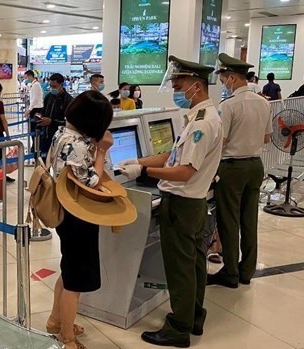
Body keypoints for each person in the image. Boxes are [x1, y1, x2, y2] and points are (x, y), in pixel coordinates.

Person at [119, 56, 222, 348]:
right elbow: (172, 157)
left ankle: (179, 329)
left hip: (182, 203)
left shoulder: (203, 124)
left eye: (180, 85)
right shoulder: (199, 118)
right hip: (193, 204)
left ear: (196, 86)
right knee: (194, 264)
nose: (176, 90)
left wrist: (143, 171)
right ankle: (194, 316)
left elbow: (184, 171)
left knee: (180, 268)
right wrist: (138, 160)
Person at [46, 91, 114, 349]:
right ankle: (68, 338)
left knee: (68, 269)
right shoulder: (77, 145)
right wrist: (102, 152)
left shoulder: (62, 133)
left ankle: (56, 320)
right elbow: (91, 182)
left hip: (67, 213)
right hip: (78, 215)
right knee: (75, 280)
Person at [207, 54, 272, 289]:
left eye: (224, 79)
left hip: (232, 168)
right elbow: (266, 137)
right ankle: (247, 271)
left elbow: (220, 142)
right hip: (256, 165)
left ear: (233, 78)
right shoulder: (264, 102)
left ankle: (231, 272)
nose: (224, 84)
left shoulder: (228, 105)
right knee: (249, 219)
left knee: (229, 221)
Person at [37, 73, 74, 162]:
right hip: (46, 136)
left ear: (61, 84)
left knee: (57, 163)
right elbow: (44, 111)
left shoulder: (69, 100)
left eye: (54, 86)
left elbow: (70, 123)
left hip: (60, 139)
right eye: (51, 86)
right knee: (44, 160)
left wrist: (52, 122)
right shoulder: (48, 97)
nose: (52, 88)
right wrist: (40, 116)